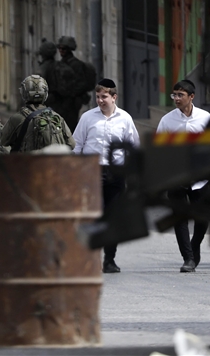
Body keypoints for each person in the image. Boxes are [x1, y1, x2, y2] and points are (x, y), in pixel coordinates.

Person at [72, 78, 140, 274]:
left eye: (104, 97)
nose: (100, 100)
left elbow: (133, 147)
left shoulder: (125, 119)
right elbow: (77, 145)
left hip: (116, 173)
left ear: (114, 97)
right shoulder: (87, 118)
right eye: (98, 96)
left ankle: (109, 259)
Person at [156, 79, 210, 273]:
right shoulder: (167, 120)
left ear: (191, 97)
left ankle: (195, 244)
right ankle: (188, 258)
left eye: (181, 95)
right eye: (174, 95)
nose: (176, 99)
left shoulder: (206, 119)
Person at [0, 74, 75, 152]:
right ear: (45, 94)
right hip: (53, 163)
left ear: (24, 93)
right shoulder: (56, 117)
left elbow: (1, 141)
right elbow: (72, 144)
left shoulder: (17, 118)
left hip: (27, 163)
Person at [50, 36, 91, 132]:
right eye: (59, 48)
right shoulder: (61, 63)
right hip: (62, 102)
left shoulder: (76, 65)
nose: (61, 50)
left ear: (69, 49)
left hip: (72, 102)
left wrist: (70, 93)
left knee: (70, 128)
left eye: (63, 48)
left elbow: (82, 84)